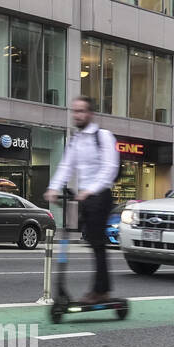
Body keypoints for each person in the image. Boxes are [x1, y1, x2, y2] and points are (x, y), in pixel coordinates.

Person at [46, 96, 120, 303]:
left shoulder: (104, 136)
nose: (77, 115)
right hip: (83, 197)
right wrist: (52, 188)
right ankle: (99, 289)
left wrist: (90, 190)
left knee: (97, 243)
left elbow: (110, 168)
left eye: (81, 111)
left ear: (90, 114)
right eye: (75, 111)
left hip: (100, 195)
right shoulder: (75, 140)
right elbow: (66, 166)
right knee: (91, 242)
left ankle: (100, 291)